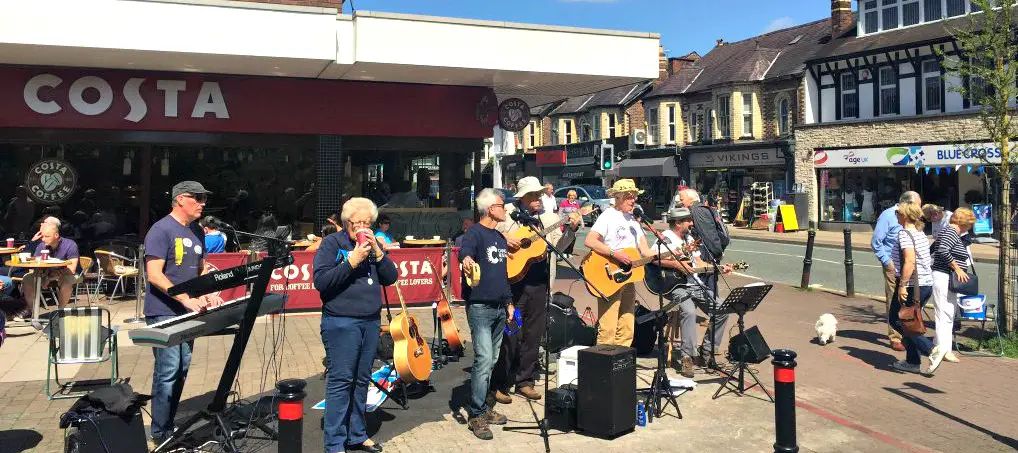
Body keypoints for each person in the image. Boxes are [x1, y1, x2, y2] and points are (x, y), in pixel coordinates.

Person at [143, 181, 224, 445]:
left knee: (183, 368)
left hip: (188, 310)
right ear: (180, 199)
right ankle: (160, 432)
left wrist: (208, 291)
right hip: (163, 310)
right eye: (197, 198)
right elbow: (154, 274)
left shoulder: (197, 231)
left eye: (204, 198)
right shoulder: (161, 229)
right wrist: (185, 298)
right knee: (168, 369)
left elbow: (199, 270)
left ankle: (168, 423)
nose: (203, 203)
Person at [313, 197, 396, 453]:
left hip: (370, 321)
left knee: (361, 380)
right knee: (341, 381)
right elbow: (322, 282)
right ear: (346, 221)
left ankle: (357, 434)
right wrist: (351, 261)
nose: (361, 227)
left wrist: (379, 253)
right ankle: (335, 443)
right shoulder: (331, 244)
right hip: (341, 322)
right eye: (357, 222)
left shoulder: (373, 244)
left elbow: (390, 277)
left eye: (366, 222)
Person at [491, 177, 579, 404]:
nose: (539, 199)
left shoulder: (546, 219)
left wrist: (571, 229)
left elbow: (559, 248)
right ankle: (500, 381)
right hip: (515, 287)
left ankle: (525, 380)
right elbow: (491, 239)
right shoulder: (507, 218)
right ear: (524, 198)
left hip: (539, 285)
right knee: (512, 332)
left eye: (540, 195)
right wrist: (505, 240)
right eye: (534, 196)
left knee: (534, 333)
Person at [652, 208, 732, 378]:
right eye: (688, 220)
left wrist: (718, 268)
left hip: (695, 283)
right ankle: (687, 357)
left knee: (723, 308)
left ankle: (707, 351)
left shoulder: (689, 238)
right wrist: (675, 265)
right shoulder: (666, 238)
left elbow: (699, 261)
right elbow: (653, 258)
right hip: (675, 285)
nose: (691, 223)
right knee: (688, 311)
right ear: (678, 223)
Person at [459, 188, 513, 440]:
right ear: (491, 208)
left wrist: (509, 303)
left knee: (491, 361)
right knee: (483, 360)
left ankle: (485, 405)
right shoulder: (475, 233)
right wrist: (467, 260)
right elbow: (465, 252)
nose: (506, 209)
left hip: (500, 307)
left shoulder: (500, 238)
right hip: (480, 307)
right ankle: (477, 414)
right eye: (503, 205)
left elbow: (502, 275)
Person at [584, 179, 655, 346]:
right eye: (629, 197)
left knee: (627, 324)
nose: (633, 200)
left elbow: (645, 251)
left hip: (628, 277)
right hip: (609, 275)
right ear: (618, 197)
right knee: (608, 326)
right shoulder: (608, 216)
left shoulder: (634, 221)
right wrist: (615, 254)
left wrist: (669, 254)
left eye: (634, 197)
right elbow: (590, 240)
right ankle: (603, 362)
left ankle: (621, 361)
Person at [677, 188, 730, 359]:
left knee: (713, 298)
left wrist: (715, 256)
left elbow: (708, 237)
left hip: (706, 258)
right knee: (710, 299)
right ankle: (706, 349)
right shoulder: (706, 209)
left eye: (682, 198)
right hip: (694, 271)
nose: (680, 200)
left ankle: (709, 348)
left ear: (691, 199)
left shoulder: (697, 211)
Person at [888, 202, 936, 374]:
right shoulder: (919, 232)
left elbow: (909, 261)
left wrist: (902, 285)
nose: (896, 216)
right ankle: (912, 361)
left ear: (905, 216)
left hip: (912, 285)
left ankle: (931, 349)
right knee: (910, 320)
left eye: (898, 213)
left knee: (898, 319)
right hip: (924, 284)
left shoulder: (904, 234)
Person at [873, 191, 921, 352]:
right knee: (894, 300)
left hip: (910, 266)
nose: (918, 208)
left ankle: (908, 333)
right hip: (894, 265)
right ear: (906, 203)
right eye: (916, 205)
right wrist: (887, 263)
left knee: (910, 299)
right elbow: (876, 242)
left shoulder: (911, 217)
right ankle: (895, 337)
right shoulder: (888, 216)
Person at [930, 207, 976, 366]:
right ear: (965, 223)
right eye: (970, 223)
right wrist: (957, 268)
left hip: (948, 278)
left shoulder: (953, 233)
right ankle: (942, 349)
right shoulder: (950, 232)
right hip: (944, 276)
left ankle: (944, 347)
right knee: (944, 312)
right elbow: (943, 250)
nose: (970, 227)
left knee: (948, 312)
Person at [22, 223, 80, 310]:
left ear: (56, 235)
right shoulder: (42, 245)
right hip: (48, 274)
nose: (43, 239)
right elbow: (36, 265)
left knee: (67, 282)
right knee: (27, 278)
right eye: (42, 236)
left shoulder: (70, 245)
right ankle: (32, 311)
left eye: (47, 236)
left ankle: (60, 312)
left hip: (69, 274)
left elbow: (71, 270)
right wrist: (44, 276)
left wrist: (50, 277)